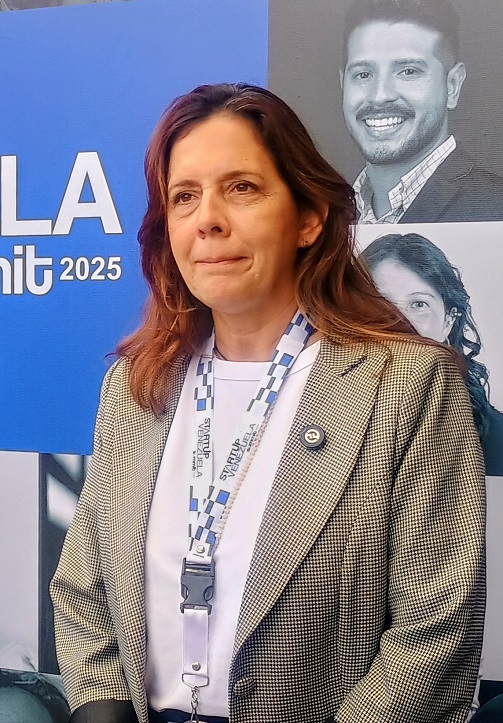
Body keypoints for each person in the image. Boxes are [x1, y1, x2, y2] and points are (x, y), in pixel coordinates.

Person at [51, 83, 485, 723]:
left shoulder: (408, 383)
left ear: (309, 218)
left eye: (242, 188)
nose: (208, 219)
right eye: (184, 196)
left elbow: (435, 629)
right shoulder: (136, 385)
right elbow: (83, 588)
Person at [340, 0, 503, 223]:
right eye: (363, 74)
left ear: (452, 86)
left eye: (408, 71)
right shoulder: (325, 214)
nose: (379, 95)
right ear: (343, 84)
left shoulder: (496, 208)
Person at [360, 232, 503, 477]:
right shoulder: (322, 411)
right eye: (380, 304)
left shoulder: (496, 436)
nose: (399, 321)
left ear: (449, 321)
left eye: (419, 304)